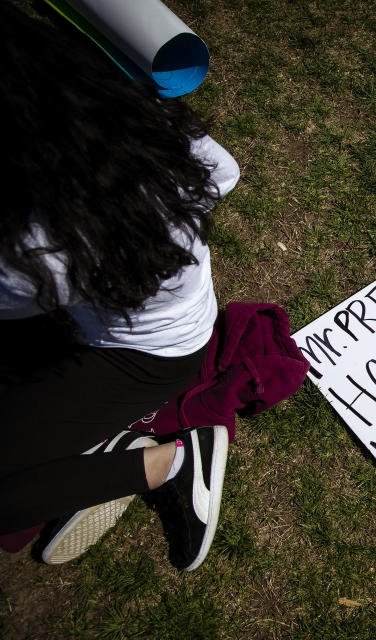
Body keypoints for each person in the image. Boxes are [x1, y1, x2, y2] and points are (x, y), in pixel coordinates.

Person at [0, 5, 238, 571]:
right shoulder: (132, 125)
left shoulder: (35, 250)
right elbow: (224, 173)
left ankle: (171, 461)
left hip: (141, 360)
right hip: (167, 321)